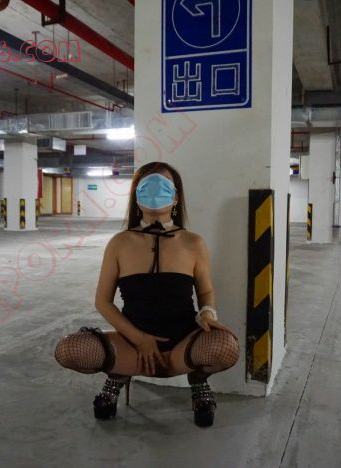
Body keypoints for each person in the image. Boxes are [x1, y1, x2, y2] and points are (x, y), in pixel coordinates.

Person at [54, 161, 240, 427]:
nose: (155, 188)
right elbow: (103, 302)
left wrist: (208, 314)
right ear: (136, 196)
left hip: (182, 344)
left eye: (163, 184)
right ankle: (118, 374)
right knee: (68, 350)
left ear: (176, 197)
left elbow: (206, 290)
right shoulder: (119, 243)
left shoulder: (193, 242)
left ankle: (198, 380)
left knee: (227, 348)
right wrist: (139, 340)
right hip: (131, 345)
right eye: (147, 183)